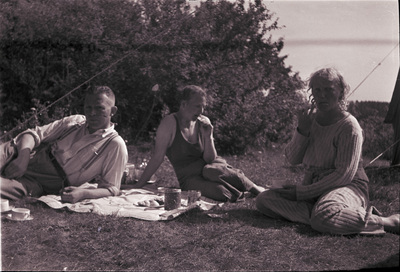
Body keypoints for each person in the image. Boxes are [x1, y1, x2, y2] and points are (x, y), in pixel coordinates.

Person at [256, 67, 399, 235]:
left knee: (323, 216)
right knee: (264, 200)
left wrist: (301, 192)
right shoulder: (310, 120)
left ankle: (388, 221)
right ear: (312, 92)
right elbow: (293, 159)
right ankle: (330, 215)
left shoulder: (349, 126)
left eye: (328, 89)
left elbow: (343, 175)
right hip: (315, 186)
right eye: (317, 89)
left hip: (348, 186)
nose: (322, 95)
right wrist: (302, 130)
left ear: (341, 92)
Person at [133, 85, 264, 202]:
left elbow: (210, 159)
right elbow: (157, 157)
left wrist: (208, 137)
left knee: (210, 170)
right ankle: (242, 194)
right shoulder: (169, 123)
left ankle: (255, 190)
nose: (201, 111)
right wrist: (139, 185)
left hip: (212, 168)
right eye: (197, 106)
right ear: (184, 104)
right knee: (220, 193)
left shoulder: (203, 122)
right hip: (190, 178)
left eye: (203, 106)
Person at [0, 86, 128, 203]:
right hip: (27, 155)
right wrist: (23, 158)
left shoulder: (115, 145)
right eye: (88, 107)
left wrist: (84, 193)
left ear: (113, 111)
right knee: (10, 148)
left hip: (43, 182)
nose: (92, 113)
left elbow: (112, 188)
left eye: (99, 108)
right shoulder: (75, 122)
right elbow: (32, 134)